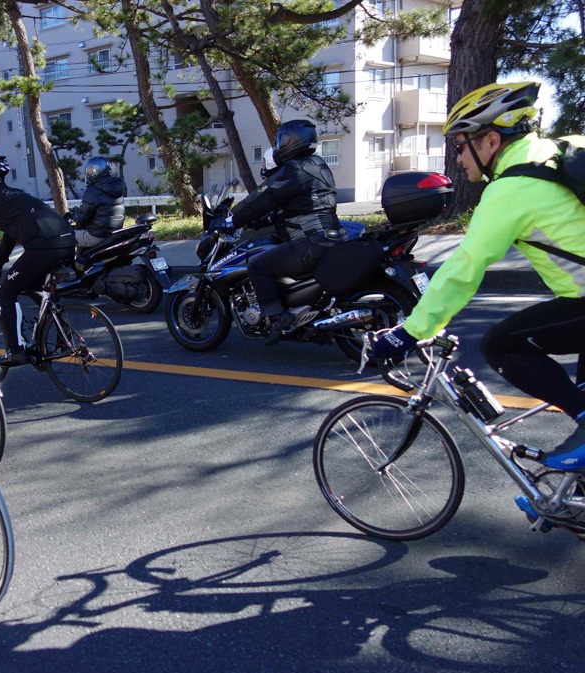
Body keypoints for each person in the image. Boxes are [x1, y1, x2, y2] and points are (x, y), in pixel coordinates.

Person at [372, 81, 585, 462]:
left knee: (501, 345)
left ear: (490, 141)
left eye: (460, 144)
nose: (457, 157)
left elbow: (464, 268)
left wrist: (410, 331)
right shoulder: (555, 153)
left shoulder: (512, 188)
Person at [230, 119, 344, 341]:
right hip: (332, 235)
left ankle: (276, 317)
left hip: (310, 242)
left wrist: (232, 220)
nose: (279, 145)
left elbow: (262, 198)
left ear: (292, 141)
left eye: (281, 140)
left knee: (257, 265)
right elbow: (300, 204)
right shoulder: (318, 164)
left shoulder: (294, 169)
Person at [0, 155, 76, 367]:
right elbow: (10, 235)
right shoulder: (17, 195)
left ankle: (16, 351)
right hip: (67, 241)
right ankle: (63, 340)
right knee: (36, 288)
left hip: (43, 247)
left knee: (7, 291)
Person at [70, 157, 126, 253]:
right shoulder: (117, 186)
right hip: (114, 233)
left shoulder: (93, 190)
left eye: (90, 171)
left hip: (97, 235)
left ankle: (73, 266)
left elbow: (83, 217)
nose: (88, 173)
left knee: (64, 237)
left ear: (96, 171)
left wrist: (77, 225)